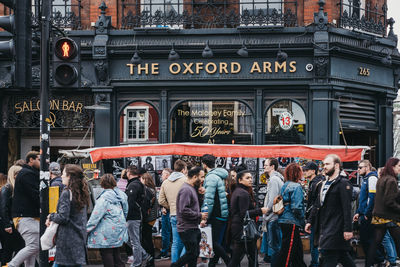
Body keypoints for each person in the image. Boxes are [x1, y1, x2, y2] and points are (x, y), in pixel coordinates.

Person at [305, 154, 355, 267]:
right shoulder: (323, 184)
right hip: (325, 226)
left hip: (335, 229)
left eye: (327, 164)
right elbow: (317, 204)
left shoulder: (343, 183)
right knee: (343, 257)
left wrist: (348, 229)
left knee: (329, 257)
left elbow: (347, 208)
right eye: (323, 164)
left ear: (336, 165)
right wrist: (310, 221)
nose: (324, 167)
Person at [46, 164, 90, 267]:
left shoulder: (67, 193)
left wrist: (51, 216)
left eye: (63, 174)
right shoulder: (83, 192)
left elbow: (63, 217)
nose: (61, 176)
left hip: (67, 240)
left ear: (69, 176)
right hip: (79, 238)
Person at [87, 173, 128, 267]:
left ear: (102, 184)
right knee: (116, 252)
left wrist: (86, 229)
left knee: (106, 253)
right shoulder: (121, 195)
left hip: (106, 230)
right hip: (119, 227)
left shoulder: (103, 199)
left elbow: (95, 217)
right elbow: (125, 210)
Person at [228, 170, 267, 267]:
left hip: (238, 227)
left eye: (251, 177)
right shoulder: (243, 193)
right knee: (243, 256)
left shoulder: (238, 191)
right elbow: (243, 214)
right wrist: (260, 211)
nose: (251, 180)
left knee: (245, 255)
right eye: (247, 178)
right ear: (240, 180)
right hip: (243, 228)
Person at [366, 157, 400, 267]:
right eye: (399, 166)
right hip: (389, 216)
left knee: (375, 242)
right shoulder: (391, 180)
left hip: (379, 216)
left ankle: (368, 264)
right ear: (393, 166)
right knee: (398, 241)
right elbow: (389, 201)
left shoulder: (382, 179)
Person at [8, 151, 40, 267]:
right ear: (31, 160)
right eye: (39, 159)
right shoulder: (27, 174)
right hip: (26, 216)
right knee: (35, 246)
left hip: (27, 216)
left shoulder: (29, 173)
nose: (42, 162)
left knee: (32, 247)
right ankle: (12, 265)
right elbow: (36, 194)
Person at [172, 166, 208, 267]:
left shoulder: (191, 188)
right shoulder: (186, 190)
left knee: (194, 254)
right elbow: (183, 210)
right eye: (201, 177)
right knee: (192, 253)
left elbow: (194, 206)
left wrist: (200, 195)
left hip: (192, 226)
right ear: (195, 177)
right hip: (186, 228)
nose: (203, 179)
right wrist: (199, 215)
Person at [352, 160, 385, 266]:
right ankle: (375, 261)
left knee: (368, 239)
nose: (358, 170)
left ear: (367, 167)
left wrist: (366, 213)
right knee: (367, 239)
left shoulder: (371, 178)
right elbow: (363, 199)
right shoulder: (366, 179)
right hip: (364, 214)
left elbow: (372, 198)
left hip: (368, 215)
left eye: (360, 167)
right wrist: (358, 212)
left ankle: (379, 260)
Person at [201, 154, 230, 267]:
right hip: (222, 213)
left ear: (204, 164)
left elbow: (209, 200)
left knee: (213, 242)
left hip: (216, 214)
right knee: (217, 241)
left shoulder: (211, 177)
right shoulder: (218, 175)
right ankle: (212, 264)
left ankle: (230, 262)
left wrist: (205, 217)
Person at [276, 163, 306, 267]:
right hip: (292, 221)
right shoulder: (297, 187)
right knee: (288, 250)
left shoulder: (285, 185)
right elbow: (296, 208)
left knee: (296, 248)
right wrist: (303, 221)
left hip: (284, 219)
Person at [159, 160, 188, 263]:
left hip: (173, 214)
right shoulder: (186, 180)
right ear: (183, 169)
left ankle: (175, 263)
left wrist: (171, 207)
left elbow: (161, 200)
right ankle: (181, 262)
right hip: (185, 214)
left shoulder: (165, 182)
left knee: (176, 242)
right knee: (187, 242)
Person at [126, 165, 152, 267]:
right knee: (129, 239)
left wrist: (126, 215)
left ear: (129, 173)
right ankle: (145, 255)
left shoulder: (133, 185)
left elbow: (130, 202)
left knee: (134, 241)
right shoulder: (138, 184)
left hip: (133, 216)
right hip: (136, 216)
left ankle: (137, 263)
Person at [0, 165, 24, 266]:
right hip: (9, 225)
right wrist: (7, 225)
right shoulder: (7, 188)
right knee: (11, 250)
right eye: (19, 173)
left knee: (14, 250)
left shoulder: (13, 188)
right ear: (14, 175)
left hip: (13, 224)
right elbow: (3, 208)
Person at [262, 157, 284, 266]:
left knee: (274, 247)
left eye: (266, 165)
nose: (264, 167)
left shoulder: (274, 180)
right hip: (274, 217)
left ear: (272, 167)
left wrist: (267, 211)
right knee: (275, 245)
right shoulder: (275, 179)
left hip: (273, 217)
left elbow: (273, 199)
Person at [303, 161, 324, 267]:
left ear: (313, 171)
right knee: (315, 241)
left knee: (314, 241)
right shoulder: (314, 182)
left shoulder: (317, 183)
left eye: (307, 170)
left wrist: (310, 218)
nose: (304, 172)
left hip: (317, 216)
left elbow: (316, 203)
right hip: (315, 215)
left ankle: (315, 263)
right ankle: (315, 262)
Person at [141, 172, 159, 267]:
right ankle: (151, 259)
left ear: (145, 180)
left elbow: (147, 205)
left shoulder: (147, 190)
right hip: (152, 217)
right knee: (148, 239)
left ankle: (150, 260)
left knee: (146, 239)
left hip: (148, 218)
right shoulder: (153, 189)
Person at [156, 168, 173, 260]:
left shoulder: (165, 184)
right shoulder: (174, 183)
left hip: (167, 211)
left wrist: (165, 207)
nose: (161, 176)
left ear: (167, 175)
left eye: (163, 174)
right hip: (172, 210)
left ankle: (164, 252)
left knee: (166, 232)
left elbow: (161, 200)